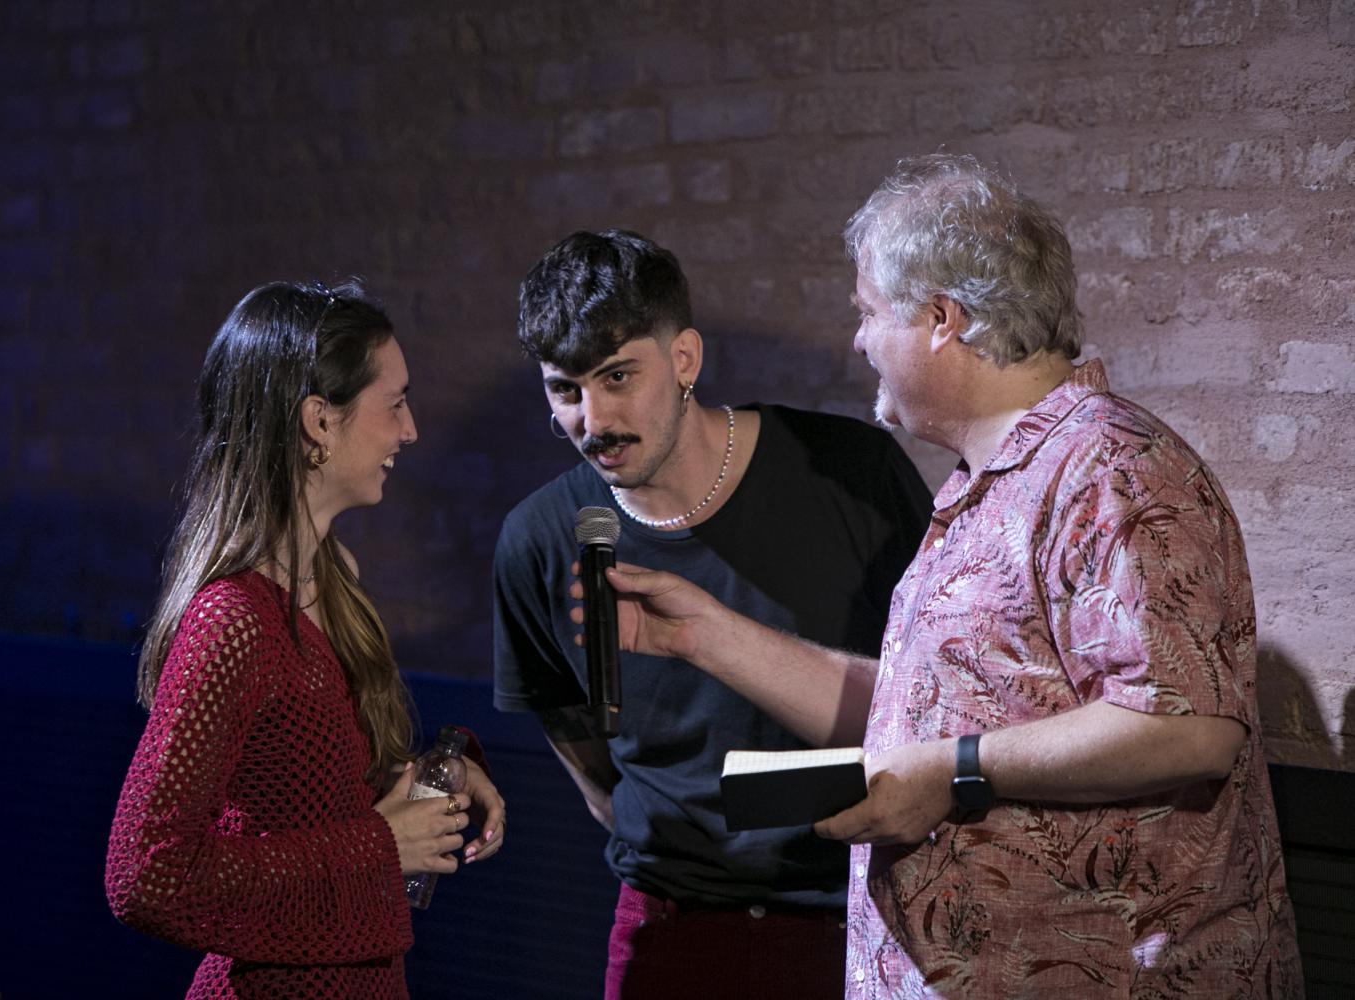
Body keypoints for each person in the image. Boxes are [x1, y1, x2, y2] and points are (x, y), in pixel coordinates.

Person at [582, 156, 1303, 998]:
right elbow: (926, 712)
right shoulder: (990, 483)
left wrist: (952, 769)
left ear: (940, 318)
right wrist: (702, 635)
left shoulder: (1115, 469)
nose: (859, 340)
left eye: (868, 313)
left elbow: (1188, 730)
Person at [492, 230, 932, 998]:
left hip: (855, 912)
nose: (594, 420)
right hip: (670, 924)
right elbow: (586, 759)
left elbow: (947, 696)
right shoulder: (538, 539)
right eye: (566, 390)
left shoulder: (850, 472)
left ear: (684, 359)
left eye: (618, 377)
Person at [105, 280, 506, 1000]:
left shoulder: (333, 576)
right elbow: (145, 874)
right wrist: (380, 846)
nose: (410, 431)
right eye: (395, 404)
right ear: (320, 421)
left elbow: (312, 794)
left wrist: (432, 775)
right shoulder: (231, 621)